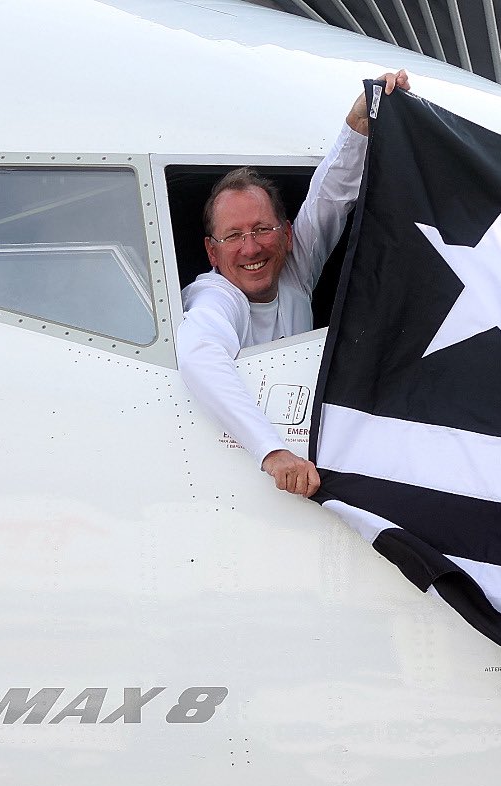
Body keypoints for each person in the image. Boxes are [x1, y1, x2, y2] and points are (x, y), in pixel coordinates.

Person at [177, 70, 410, 497]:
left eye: (262, 229)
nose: (251, 248)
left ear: (285, 234)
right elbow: (200, 355)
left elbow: (330, 198)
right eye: (233, 237)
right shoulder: (215, 297)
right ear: (212, 253)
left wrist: (360, 121)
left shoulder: (292, 271)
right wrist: (273, 452)